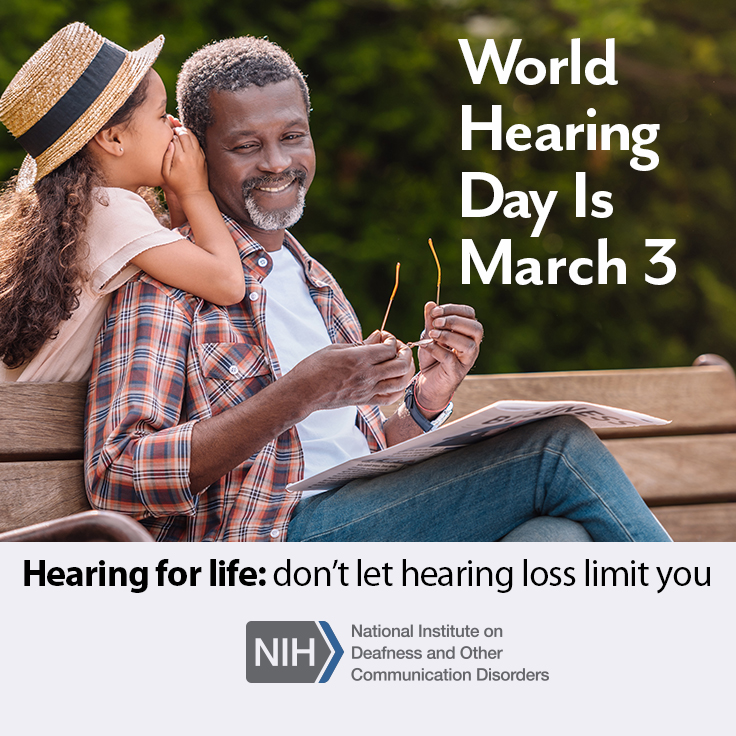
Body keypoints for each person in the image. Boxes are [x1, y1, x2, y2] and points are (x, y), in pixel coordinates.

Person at [84, 35, 671, 543]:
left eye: (293, 136)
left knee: (556, 539)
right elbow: (119, 477)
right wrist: (298, 393)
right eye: (245, 146)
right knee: (556, 448)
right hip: (271, 547)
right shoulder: (169, 283)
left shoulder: (313, 280)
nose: (277, 163)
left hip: (352, 531)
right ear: (193, 150)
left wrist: (426, 400)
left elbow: (352, 459)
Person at [0, 22, 244, 382]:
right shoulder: (111, 212)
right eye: (162, 115)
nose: (176, 126)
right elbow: (226, 282)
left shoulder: (83, 210)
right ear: (114, 138)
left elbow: (186, 273)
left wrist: (177, 197)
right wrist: (195, 191)